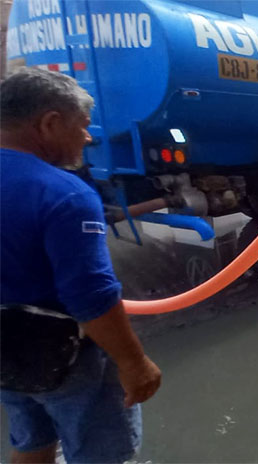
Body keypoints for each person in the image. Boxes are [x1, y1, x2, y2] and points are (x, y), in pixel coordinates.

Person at [1, 68, 162, 463]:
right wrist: (134, 363)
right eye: (83, 126)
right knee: (103, 454)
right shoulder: (64, 194)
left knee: (30, 441)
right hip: (64, 354)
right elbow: (91, 296)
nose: (88, 138)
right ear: (50, 123)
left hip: (4, 354)